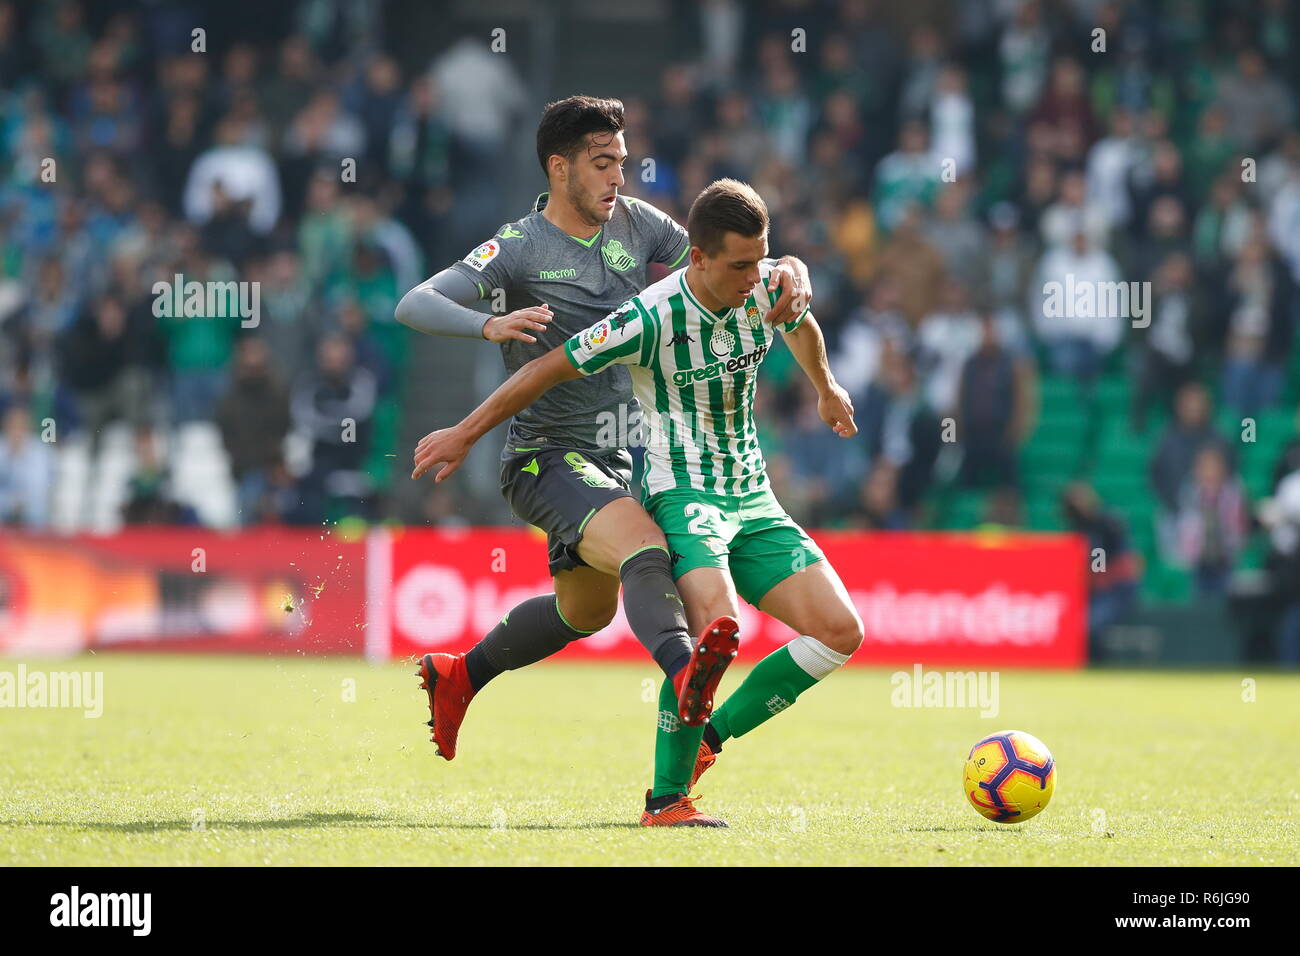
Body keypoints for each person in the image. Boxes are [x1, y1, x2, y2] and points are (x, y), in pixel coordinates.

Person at [396, 97, 814, 826]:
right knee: (648, 551)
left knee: (582, 611)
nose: (619, 174)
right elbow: (415, 302)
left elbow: (725, 262)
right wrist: (488, 323)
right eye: (602, 162)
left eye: (622, 160)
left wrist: (790, 269)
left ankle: (461, 675)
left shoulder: (639, 225)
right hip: (545, 458)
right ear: (559, 168)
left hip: (626, 457)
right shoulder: (518, 247)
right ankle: (688, 677)